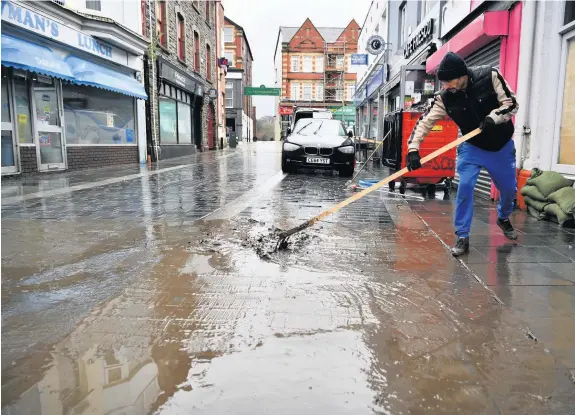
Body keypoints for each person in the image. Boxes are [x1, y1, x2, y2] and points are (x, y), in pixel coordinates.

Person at [405, 52, 519, 256]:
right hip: (471, 147)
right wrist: (413, 149)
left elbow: (511, 104)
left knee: (509, 190)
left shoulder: (490, 76)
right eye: (443, 82)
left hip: (501, 147)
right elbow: (425, 122)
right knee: (464, 187)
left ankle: (503, 217)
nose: (445, 86)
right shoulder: (444, 98)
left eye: (449, 81)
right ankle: (462, 236)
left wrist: (494, 118)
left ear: (462, 75)